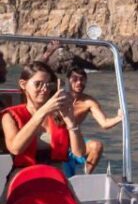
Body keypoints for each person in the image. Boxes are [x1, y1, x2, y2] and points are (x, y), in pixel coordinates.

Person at [1, 61, 86, 193]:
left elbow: (79, 152)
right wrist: (43, 111)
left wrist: (71, 121)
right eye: (38, 84)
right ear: (23, 84)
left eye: (48, 84)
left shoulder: (59, 115)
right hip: (22, 177)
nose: (44, 89)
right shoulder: (10, 116)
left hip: (56, 177)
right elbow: (15, 148)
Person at [63, 66, 122, 175]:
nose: (79, 82)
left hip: (74, 141)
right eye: (75, 79)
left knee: (97, 146)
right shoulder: (58, 97)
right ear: (68, 80)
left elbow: (104, 123)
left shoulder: (89, 102)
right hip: (56, 139)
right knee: (66, 175)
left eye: (82, 79)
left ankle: (86, 176)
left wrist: (119, 118)